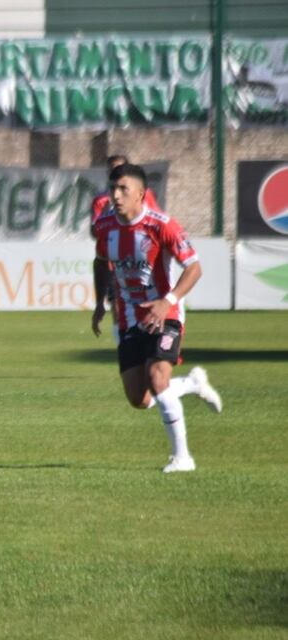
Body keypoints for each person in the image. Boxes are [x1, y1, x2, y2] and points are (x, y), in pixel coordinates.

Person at [91, 163, 222, 473]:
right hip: (128, 319)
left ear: (141, 193)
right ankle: (191, 384)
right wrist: (99, 302)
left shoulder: (163, 225)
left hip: (167, 315)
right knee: (139, 398)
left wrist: (169, 301)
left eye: (123, 189)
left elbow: (194, 268)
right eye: (113, 189)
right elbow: (99, 262)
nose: (116, 195)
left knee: (157, 378)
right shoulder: (106, 225)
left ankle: (183, 458)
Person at [92, 155, 161, 313]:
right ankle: (121, 335)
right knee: (117, 302)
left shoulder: (144, 194)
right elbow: (95, 231)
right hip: (115, 261)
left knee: (148, 299)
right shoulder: (101, 200)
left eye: (119, 167)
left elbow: (155, 221)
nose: (115, 171)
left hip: (142, 257)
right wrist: (105, 214)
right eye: (112, 168)